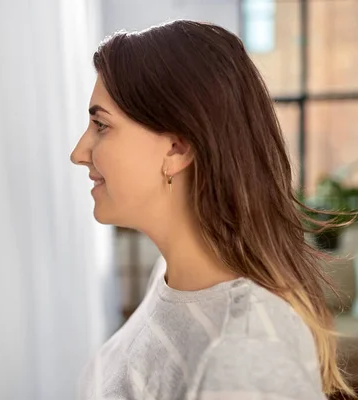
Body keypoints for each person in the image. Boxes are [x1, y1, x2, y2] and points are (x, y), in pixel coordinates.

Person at [70, 20, 355, 400]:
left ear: (177, 148)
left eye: (101, 125)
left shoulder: (249, 353)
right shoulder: (173, 280)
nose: (78, 153)